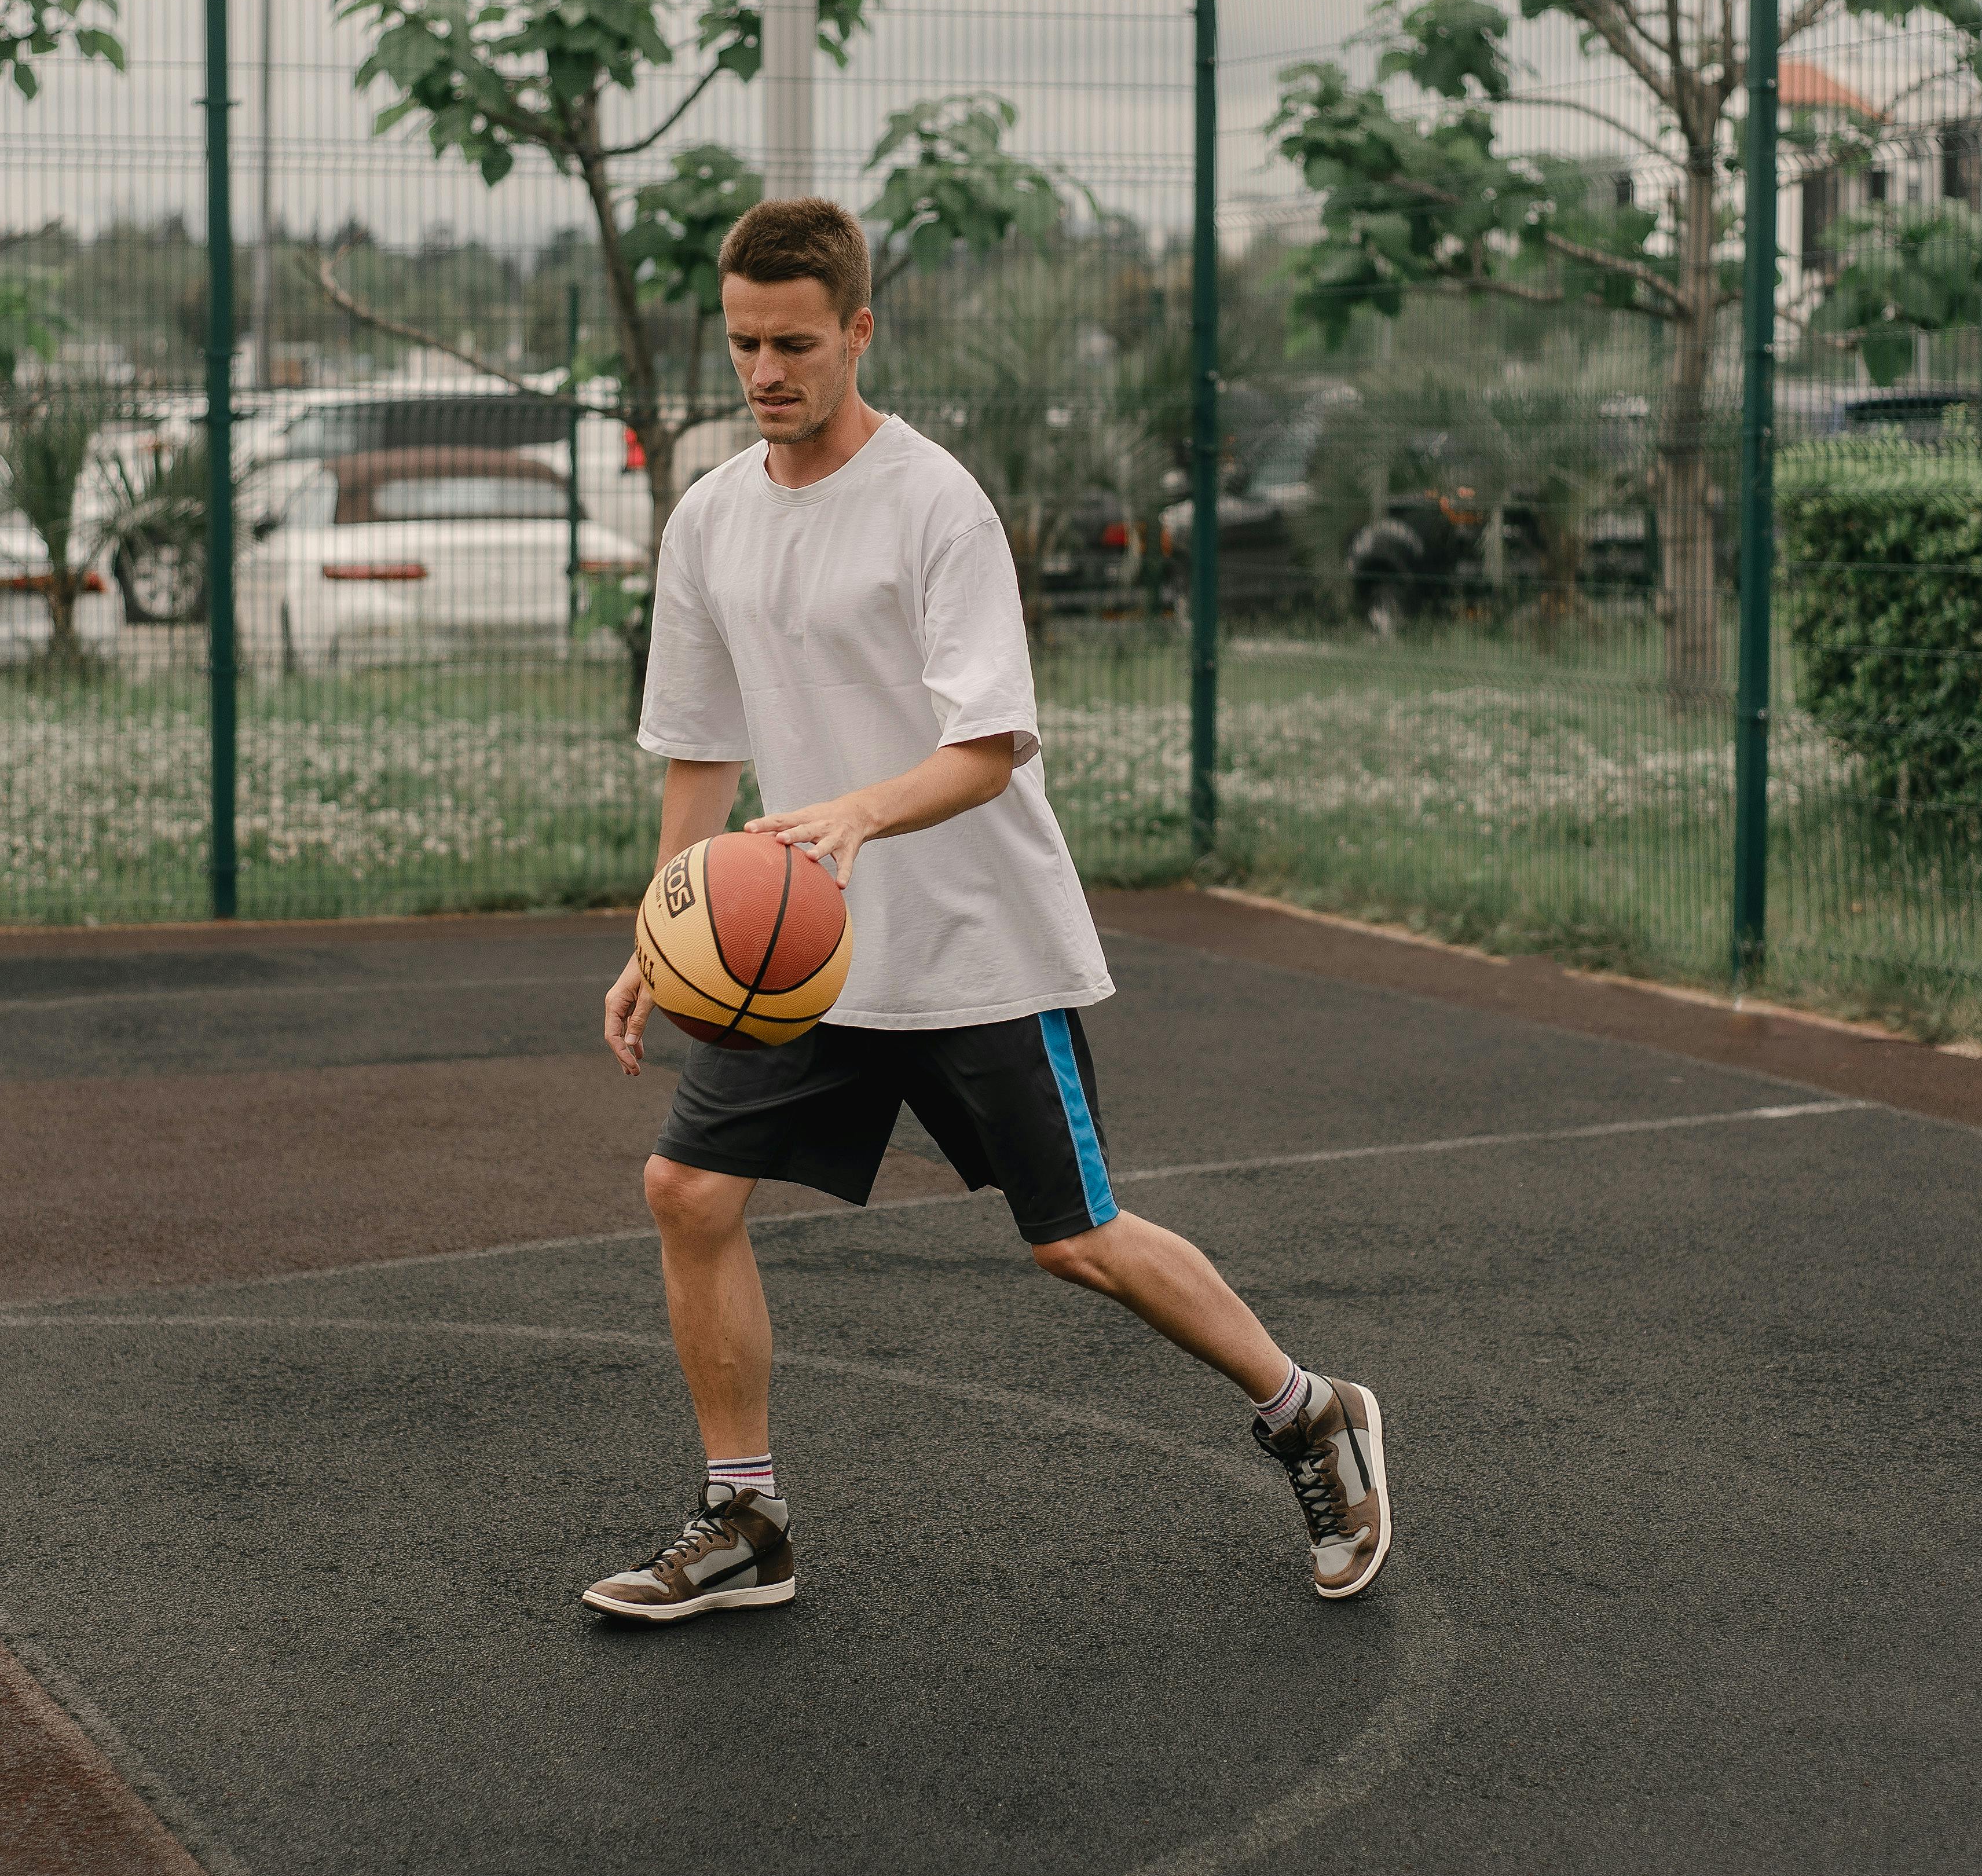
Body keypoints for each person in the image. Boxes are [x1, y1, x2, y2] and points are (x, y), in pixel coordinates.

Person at [588, 196, 1390, 1624]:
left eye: (794, 342)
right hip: (794, 952)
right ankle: (745, 1514)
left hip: (974, 944)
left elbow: (988, 743)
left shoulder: (932, 502)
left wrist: (850, 811)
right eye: (743, 345)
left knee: (1072, 1237)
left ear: (858, 332)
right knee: (685, 1189)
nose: (766, 371)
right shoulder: (709, 517)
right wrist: (662, 928)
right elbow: (700, 745)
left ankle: (1306, 1408)